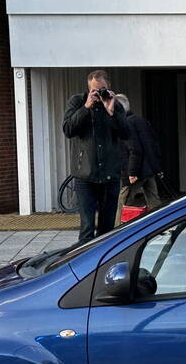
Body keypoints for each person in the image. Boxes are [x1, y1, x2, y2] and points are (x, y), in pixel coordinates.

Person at [63, 70, 129, 243]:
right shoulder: (77, 102)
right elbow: (68, 130)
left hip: (110, 175)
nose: (99, 94)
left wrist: (112, 111)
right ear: (89, 88)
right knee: (87, 227)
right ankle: (86, 265)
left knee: (107, 228)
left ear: (109, 87)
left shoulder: (115, 106)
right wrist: (86, 107)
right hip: (85, 175)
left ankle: (104, 262)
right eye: (95, 90)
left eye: (102, 90)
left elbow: (126, 133)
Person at [114, 93, 163, 223]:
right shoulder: (141, 120)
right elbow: (153, 143)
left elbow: (134, 149)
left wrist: (132, 172)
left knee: (123, 203)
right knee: (155, 202)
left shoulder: (126, 124)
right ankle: (161, 226)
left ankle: (116, 233)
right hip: (149, 169)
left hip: (136, 171)